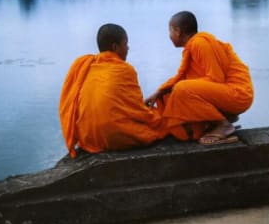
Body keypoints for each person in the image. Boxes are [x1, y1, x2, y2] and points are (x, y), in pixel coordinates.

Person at [145, 11, 254, 145]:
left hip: (238, 94)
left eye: (170, 31)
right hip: (225, 92)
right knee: (171, 93)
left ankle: (224, 124)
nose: (169, 35)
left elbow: (215, 78)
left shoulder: (200, 44)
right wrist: (161, 91)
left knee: (182, 88)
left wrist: (178, 87)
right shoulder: (193, 46)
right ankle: (211, 123)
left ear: (178, 31)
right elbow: (189, 78)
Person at [59, 23, 167, 157]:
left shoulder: (86, 65)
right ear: (115, 47)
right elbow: (137, 111)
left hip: (87, 136)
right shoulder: (125, 70)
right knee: (161, 122)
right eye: (125, 44)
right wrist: (155, 116)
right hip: (113, 136)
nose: (128, 48)